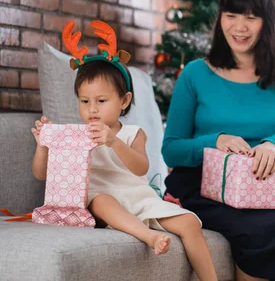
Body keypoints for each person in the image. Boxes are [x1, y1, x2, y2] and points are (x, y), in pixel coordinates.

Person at [161, 0, 275, 281]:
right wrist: (215, 140)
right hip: (201, 187)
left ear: (268, 21)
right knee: (268, 228)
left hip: (259, 186)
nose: (239, 27)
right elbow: (171, 149)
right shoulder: (195, 74)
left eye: (251, 17)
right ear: (220, 17)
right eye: (231, 15)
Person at [31, 21, 218, 281]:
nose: (92, 109)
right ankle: (148, 236)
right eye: (84, 101)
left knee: (188, 223)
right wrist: (43, 146)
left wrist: (114, 142)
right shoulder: (75, 135)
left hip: (138, 198)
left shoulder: (132, 133)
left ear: (124, 101)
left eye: (101, 101)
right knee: (101, 201)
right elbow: (42, 175)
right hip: (101, 201)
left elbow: (141, 167)